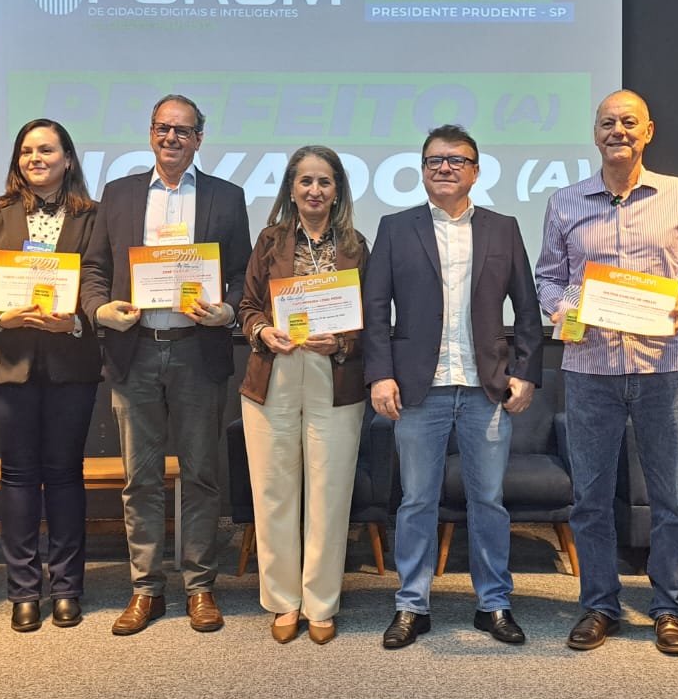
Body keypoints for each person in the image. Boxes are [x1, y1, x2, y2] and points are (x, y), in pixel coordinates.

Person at [534, 90, 678, 654]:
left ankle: (668, 608)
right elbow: (549, 278)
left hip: (664, 368)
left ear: (648, 131)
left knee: (673, 499)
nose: (618, 130)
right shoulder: (565, 202)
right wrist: (562, 308)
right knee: (591, 498)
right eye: (607, 122)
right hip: (590, 369)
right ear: (595, 134)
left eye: (629, 122)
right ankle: (599, 605)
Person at [364, 125, 544, 649]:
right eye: (434, 160)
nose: (444, 168)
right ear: (422, 170)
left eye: (456, 160)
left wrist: (526, 372)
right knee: (416, 501)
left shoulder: (503, 228)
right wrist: (380, 373)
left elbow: (527, 308)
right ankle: (411, 605)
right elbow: (375, 309)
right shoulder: (395, 228)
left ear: (476, 171)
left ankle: (493, 604)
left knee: (488, 501)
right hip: (418, 389)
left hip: (486, 387)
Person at [81, 93, 251, 637]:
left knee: (201, 474)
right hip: (135, 350)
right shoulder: (119, 193)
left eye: (182, 130)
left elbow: (243, 273)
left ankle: (200, 587)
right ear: (150, 133)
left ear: (199, 138)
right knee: (141, 478)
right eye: (162, 128)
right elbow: (94, 269)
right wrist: (99, 310)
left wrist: (228, 309)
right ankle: (146, 589)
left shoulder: (227, 197)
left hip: (198, 351)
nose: (171, 138)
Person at [0, 119, 102, 633]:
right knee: (18, 476)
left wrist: (77, 321)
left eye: (46, 150)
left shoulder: (91, 215)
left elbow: (98, 282)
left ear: (68, 157)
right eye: (26, 151)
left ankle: (66, 587)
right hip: (8, 362)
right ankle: (23, 589)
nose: (35, 158)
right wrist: (3, 316)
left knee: (64, 474)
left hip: (71, 364)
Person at [237, 146, 368, 645]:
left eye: (324, 182)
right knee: (273, 492)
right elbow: (248, 305)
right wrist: (262, 331)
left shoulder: (356, 245)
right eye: (305, 181)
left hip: (336, 377)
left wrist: (343, 343)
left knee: (329, 495)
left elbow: (371, 318)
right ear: (291, 189)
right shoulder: (270, 240)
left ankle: (321, 602)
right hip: (275, 373)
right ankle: (283, 600)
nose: (315, 190)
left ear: (337, 191)